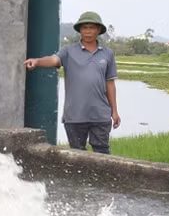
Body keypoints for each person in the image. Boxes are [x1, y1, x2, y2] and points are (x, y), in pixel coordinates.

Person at [24, 11, 120, 153]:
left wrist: (114, 111)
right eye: (84, 28)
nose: (88, 31)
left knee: (102, 153)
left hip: (100, 114)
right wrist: (37, 61)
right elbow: (53, 60)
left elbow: (110, 83)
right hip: (75, 115)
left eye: (92, 28)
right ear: (80, 30)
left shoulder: (107, 54)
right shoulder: (68, 51)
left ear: (98, 30)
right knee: (77, 155)